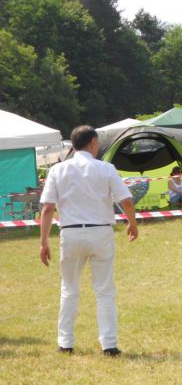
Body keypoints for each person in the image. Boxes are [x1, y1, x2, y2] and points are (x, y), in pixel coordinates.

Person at [39, 125, 139, 355]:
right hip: (101, 232)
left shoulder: (57, 170)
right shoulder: (106, 168)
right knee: (104, 290)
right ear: (93, 142)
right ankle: (109, 344)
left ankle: (65, 343)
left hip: (71, 232)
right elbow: (126, 201)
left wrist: (43, 241)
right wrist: (132, 223)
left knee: (69, 290)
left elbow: (47, 209)